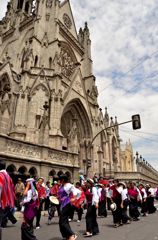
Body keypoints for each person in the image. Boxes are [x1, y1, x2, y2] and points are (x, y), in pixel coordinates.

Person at [58, 174, 80, 240]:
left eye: (60, 179)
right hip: (62, 204)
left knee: (62, 221)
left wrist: (75, 198)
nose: (59, 181)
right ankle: (68, 236)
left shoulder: (69, 185)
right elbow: (61, 195)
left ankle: (72, 234)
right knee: (64, 221)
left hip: (67, 204)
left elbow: (78, 192)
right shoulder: (62, 185)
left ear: (63, 180)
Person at [0, 168, 15, 240]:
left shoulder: (1, 176)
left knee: (5, 213)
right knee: (5, 213)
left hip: (3, 201)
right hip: (7, 201)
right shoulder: (8, 177)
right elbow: (11, 188)